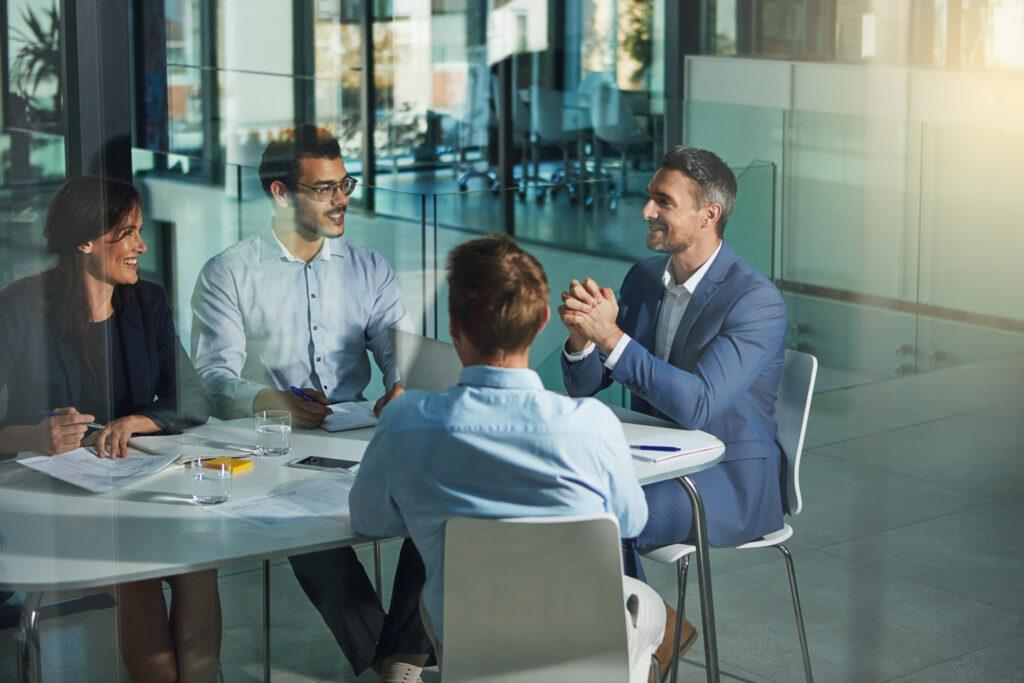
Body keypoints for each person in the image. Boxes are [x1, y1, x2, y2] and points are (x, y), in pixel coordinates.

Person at [350, 234, 665, 683]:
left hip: (471, 647)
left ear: (454, 324)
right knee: (641, 605)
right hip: (583, 647)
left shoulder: (404, 422)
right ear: (541, 323)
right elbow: (631, 524)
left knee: (430, 595)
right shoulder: (591, 426)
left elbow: (368, 518)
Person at [190, 125, 429, 680]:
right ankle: (398, 667)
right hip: (276, 446)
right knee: (304, 525)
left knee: (439, 500)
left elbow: (404, 352)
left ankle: (397, 663)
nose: (342, 198)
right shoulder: (229, 272)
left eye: (344, 183)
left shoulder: (369, 267)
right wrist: (268, 400)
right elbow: (213, 376)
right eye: (324, 188)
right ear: (280, 193)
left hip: (362, 431)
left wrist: (402, 383)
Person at [559, 145, 787, 674]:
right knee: (560, 500)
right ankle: (658, 627)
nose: (647, 211)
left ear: (708, 214)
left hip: (726, 477)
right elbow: (585, 386)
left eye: (663, 201)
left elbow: (697, 404)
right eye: (649, 198)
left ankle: (611, 661)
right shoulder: (644, 278)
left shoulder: (756, 300)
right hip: (651, 463)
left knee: (602, 518)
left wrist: (612, 338)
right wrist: (582, 343)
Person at [0, 175, 218, 682]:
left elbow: (194, 398)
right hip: (51, 495)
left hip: (135, 482)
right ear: (84, 241)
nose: (141, 245)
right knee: (136, 571)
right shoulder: (18, 310)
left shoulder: (147, 301)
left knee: (199, 562)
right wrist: (33, 437)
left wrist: (137, 421)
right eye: (127, 233)